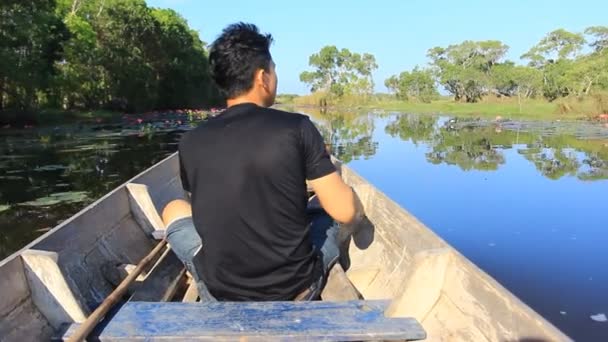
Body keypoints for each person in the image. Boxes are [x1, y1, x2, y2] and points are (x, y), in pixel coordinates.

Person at [163, 22, 365, 301]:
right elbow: (345, 213)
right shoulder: (298, 127)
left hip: (220, 291)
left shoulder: (191, 141)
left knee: (174, 209)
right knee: (331, 210)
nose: (275, 77)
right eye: (274, 70)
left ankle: (198, 275)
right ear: (262, 77)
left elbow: (207, 212)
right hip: (295, 288)